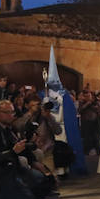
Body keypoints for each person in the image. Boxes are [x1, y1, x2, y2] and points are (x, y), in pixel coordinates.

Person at [0, 100, 56, 199]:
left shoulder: (6, 128)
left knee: (42, 185)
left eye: (12, 112)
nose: (11, 116)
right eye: (7, 112)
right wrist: (12, 152)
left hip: (10, 167)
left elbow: (19, 146)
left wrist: (34, 161)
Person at [40, 46, 87, 177]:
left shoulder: (64, 95)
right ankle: (53, 171)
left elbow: (69, 112)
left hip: (62, 126)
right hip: (49, 127)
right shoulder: (43, 94)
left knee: (63, 148)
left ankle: (63, 170)